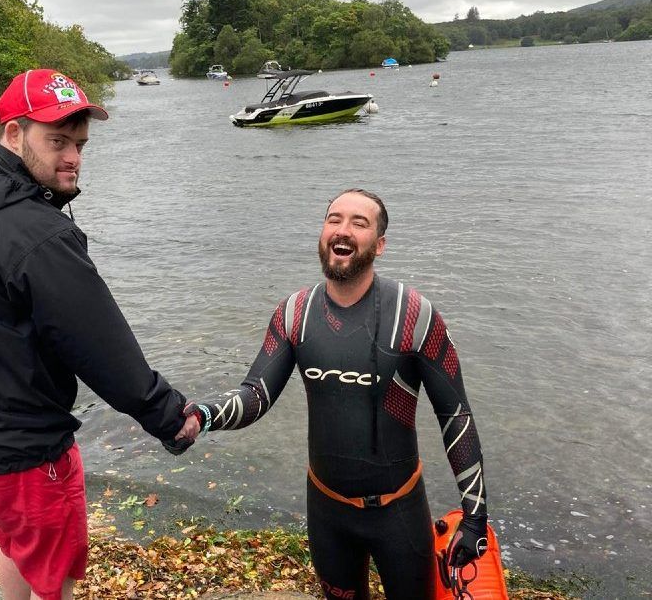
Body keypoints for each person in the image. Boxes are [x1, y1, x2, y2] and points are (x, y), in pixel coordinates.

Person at [0, 69, 199, 600]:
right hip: (23, 457)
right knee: (57, 579)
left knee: (15, 545)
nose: (72, 157)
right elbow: (103, 350)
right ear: (14, 133)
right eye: (57, 142)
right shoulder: (38, 233)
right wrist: (170, 417)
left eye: (79, 144)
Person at [179, 189, 489, 600]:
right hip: (327, 510)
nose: (342, 230)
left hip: (398, 512)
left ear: (379, 245)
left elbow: (455, 417)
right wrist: (202, 415)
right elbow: (256, 395)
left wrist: (474, 518)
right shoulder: (295, 313)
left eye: (359, 223)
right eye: (334, 219)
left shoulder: (414, 316)